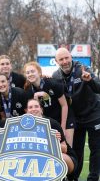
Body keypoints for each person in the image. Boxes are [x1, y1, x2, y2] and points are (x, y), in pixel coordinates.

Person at [53, 47, 100, 181]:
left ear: (71, 57)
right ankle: (75, 177)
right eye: (61, 59)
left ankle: (93, 178)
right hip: (76, 119)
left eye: (67, 58)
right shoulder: (56, 76)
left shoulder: (83, 69)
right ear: (56, 61)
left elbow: (98, 88)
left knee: (96, 149)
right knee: (77, 150)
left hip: (93, 115)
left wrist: (89, 80)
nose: (65, 61)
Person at [23, 61, 72, 145]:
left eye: (32, 71)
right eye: (27, 73)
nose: (30, 74)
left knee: (67, 149)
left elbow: (64, 105)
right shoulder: (28, 91)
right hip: (48, 122)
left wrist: (62, 127)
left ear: (39, 72)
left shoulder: (53, 83)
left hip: (64, 119)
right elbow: (35, 111)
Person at [26, 98, 77, 178]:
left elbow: (64, 149)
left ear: (41, 109)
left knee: (56, 158)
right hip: (36, 158)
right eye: (30, 107)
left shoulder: (52, 124)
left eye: (36, 106)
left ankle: (65, 177)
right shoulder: (22, 126)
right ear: (26, 111)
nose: (33, 109)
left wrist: (50, 142)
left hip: (62, 156)